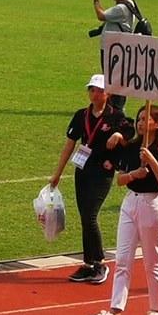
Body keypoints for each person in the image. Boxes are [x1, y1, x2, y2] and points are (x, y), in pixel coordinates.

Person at [91, 102, 158, 315]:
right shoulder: (131, 148)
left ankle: (157, 309)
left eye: (145, 119)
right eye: (139, 119)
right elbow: (119, 179)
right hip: (131, 202)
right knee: (122, 259)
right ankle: (115, 310)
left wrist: (152, 163)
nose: (140, 123)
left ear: (157, 124)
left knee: (152, 260)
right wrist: (134, 174)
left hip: (152, 204)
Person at [50, 73, 128, 284]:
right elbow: (69, 144)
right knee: (85, 216)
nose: (95, 93)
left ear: (108, 93)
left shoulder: (116, 116)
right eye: (92, 89)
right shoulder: (80, 115)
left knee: (91, 215)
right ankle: (87, 262)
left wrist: (119, 135)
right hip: (83, 170)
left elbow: (131, 136)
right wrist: (57, 173)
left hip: (103, 172)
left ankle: (100, 262)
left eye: (99, 90)